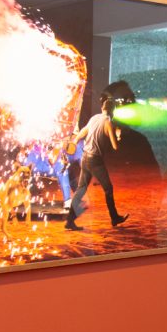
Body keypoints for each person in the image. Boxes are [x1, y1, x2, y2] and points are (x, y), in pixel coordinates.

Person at [64, 82, 132, 231]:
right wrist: (118, 136)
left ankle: (69, 221)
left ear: (102, 108)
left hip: (85, 158)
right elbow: (115, 147)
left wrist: (74, 141)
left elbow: (83, 132)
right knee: (108, 189)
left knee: (81, 189)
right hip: (95, 161)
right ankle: (114, 218)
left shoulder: (95, 118)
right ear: (113, 111)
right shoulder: (109, 123)